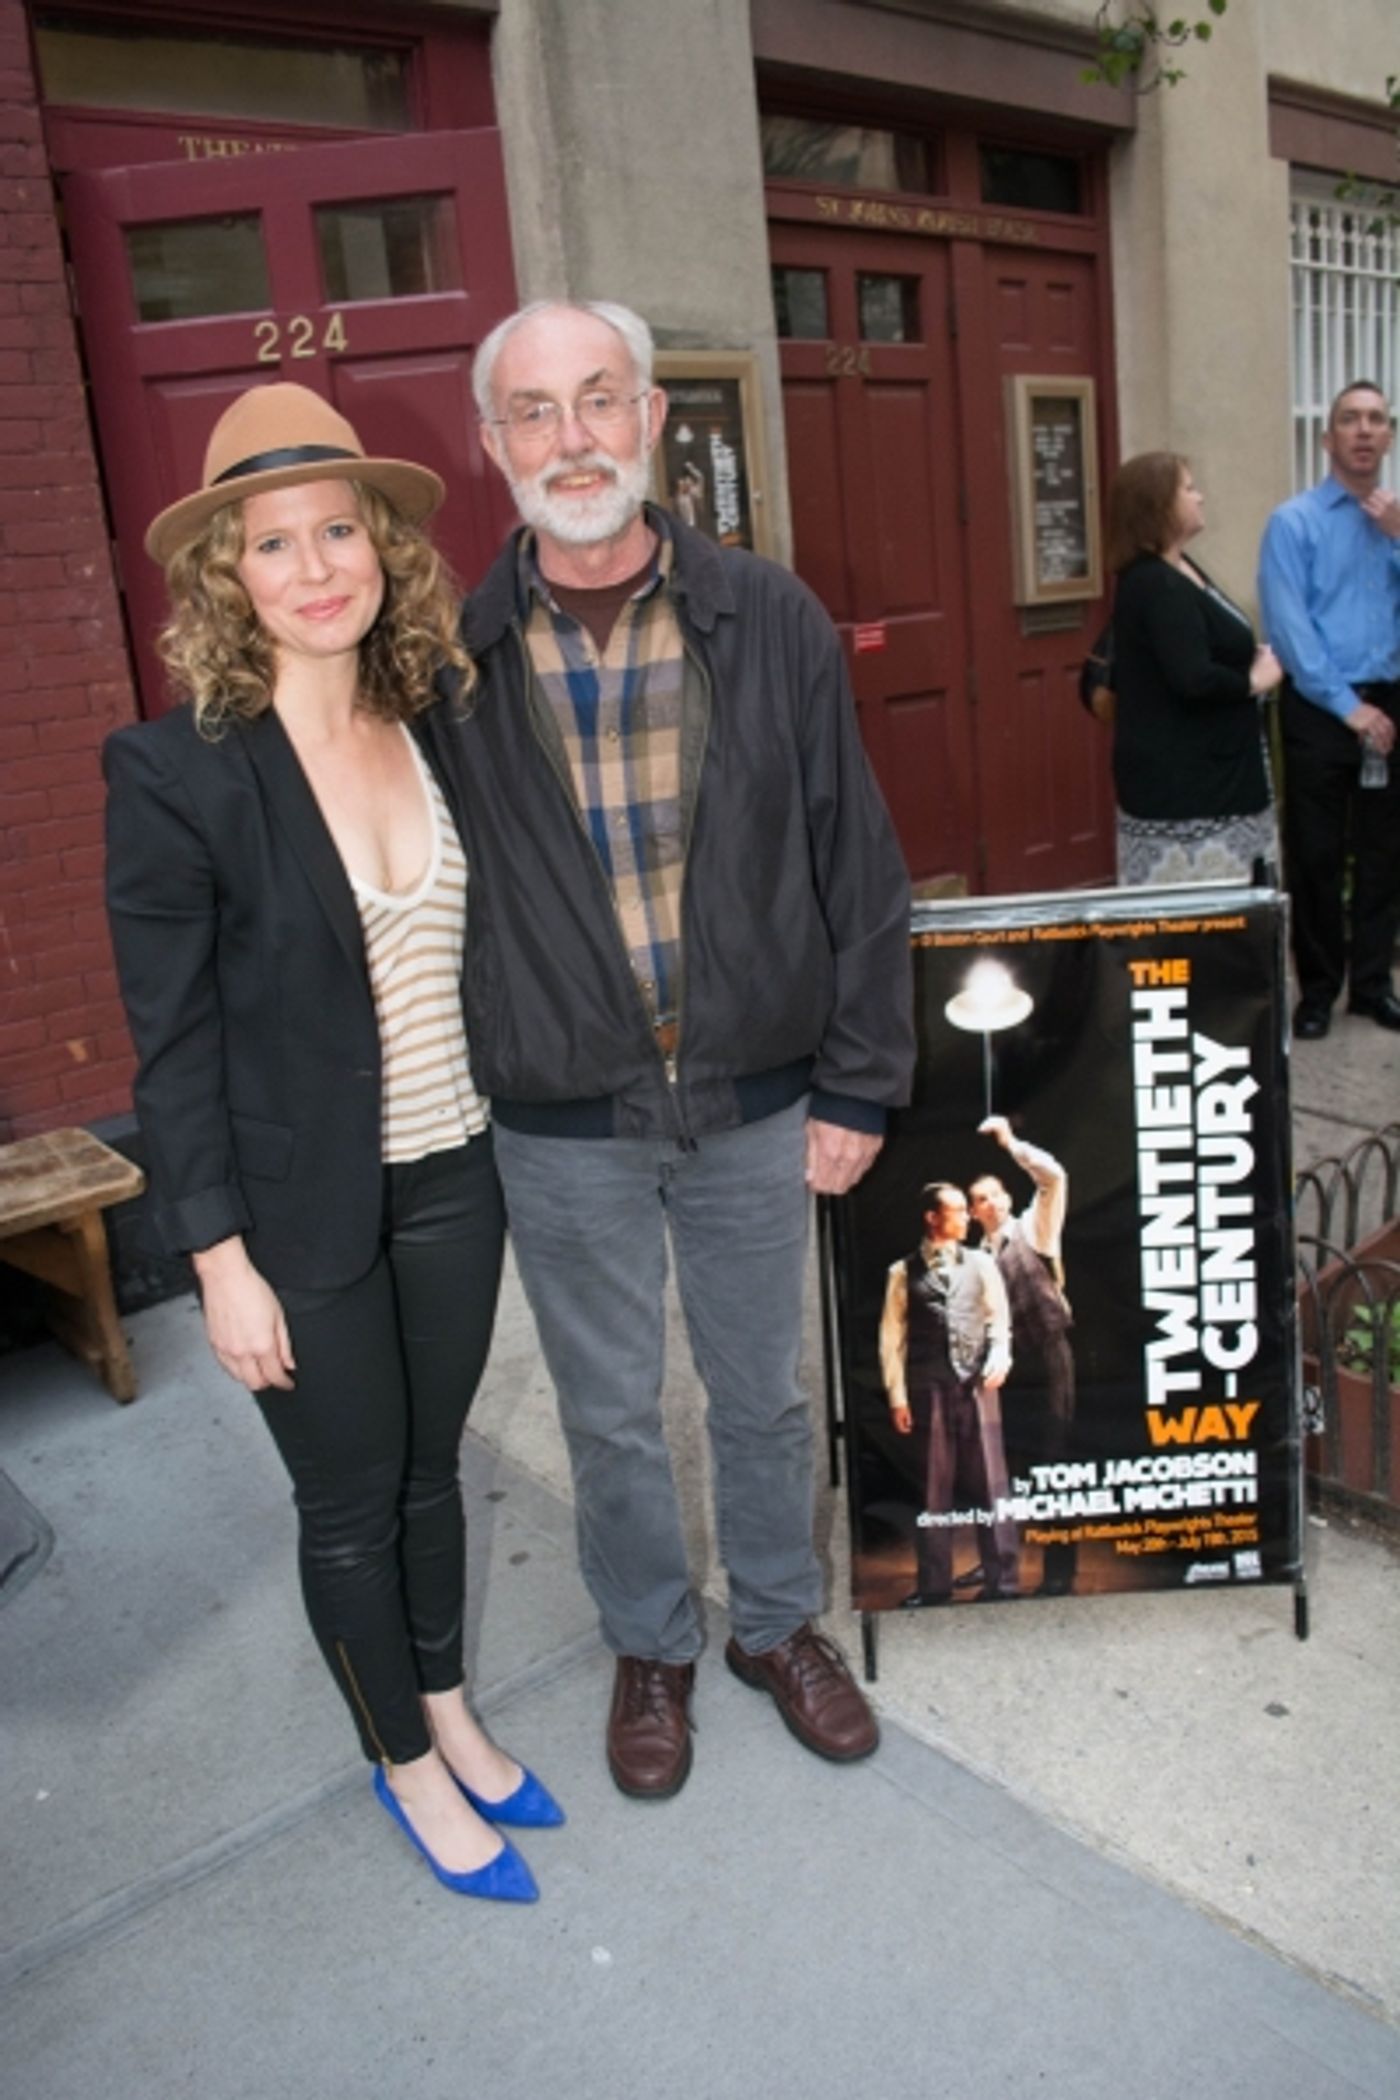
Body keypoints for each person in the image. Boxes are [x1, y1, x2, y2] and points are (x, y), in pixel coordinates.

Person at [420, 298, 913, 1800]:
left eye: (598, 399)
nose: (571, 438)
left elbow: (858, 863)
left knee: (761, 1394)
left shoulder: (767, 618)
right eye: (534, 410)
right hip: (565, 1116)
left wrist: (860, 1076)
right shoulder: (443, 661)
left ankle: (773, 1623)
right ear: (492, 442)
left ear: (649, 419)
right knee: (612, 1414)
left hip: (761, 1101)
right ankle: (652, 1640)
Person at [104, 384, 562, 1904]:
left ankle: (445, 1705)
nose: (315, 567)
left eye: (338, 530)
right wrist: (218, 1262)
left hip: (456, 1174)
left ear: (383, 550)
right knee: (349, 1500)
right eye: (274, 542)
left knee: (430, 1468)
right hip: (299, 1219)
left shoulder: (436, 722)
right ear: (228, 577)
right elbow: (171, 1051)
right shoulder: (177, 775)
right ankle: (405, 1763)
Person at [1257, 379, 1400, 1039]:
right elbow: (1290, 630)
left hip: (1391, 702)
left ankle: (1373, 985)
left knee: (1384, 851)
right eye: (1351, 419)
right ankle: (1317, 990)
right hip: (1322, 708)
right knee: (1315, 854)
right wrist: (1347, 708)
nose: (1365, 430)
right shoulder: (1295, 522)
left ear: (1390, 436)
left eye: (1376, 419)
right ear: (1328, 438)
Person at [1106, 452, 1282, 888]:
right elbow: (1193, 677)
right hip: (1191, 796)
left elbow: (1200, 641)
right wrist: (1252, 681)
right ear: (1158, 504)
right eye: (1188, 488)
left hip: (1223, 779)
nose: (1200, 497)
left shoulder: (1179, 568)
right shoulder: (1154, 583)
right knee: (1205, 937)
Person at [878, 1184, 1016, 1607]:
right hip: (929, 1389)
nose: (966, 1217)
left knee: (991, 1483)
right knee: (934, 1489)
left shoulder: (981, 1263)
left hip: (976, 1386)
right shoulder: (902, 1272)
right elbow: (891, 1339)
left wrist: (1000, 1354)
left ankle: (1003, 1580)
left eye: (964, 1210)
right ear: (932, 1218)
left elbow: (999, 1318)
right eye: (956, 1211)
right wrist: (897, 1396)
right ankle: (935, 1585)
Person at [969, 1116, 1076, 1597]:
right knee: (1002, 1469)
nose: (988, 1203)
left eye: (994, 1194)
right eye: (978, 1199)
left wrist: (1011, 1143)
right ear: (971, 1212)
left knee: (1054, 1460)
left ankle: (1058, 1571)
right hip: (1006, 1370)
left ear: (1007, 1200)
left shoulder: (1035, 1230)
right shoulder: (976, 1259)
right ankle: (1000, 1567)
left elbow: (1054, 1177)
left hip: (1048, 1357)